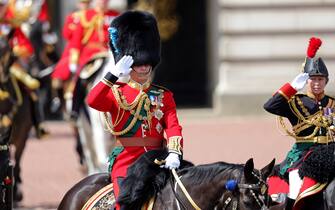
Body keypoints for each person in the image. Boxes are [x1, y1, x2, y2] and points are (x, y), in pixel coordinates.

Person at [86, 10, 183, 210]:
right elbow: (93, 100)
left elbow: (173, 127)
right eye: (139, 63)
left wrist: (174, 152)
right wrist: (112, 75)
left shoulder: (164, 96)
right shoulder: (116, 93)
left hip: (159, 158)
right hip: (127, 161)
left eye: (147, 63)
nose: (143, 67)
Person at [264, 37, 335, 210]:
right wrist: (293, 87)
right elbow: (270, 106)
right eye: (312, 79)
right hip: (304, 154)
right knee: (296, 187)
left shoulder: (332, 103)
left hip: (331, 150)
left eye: (320, 79)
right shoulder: (296, 102)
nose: (317, 83)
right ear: (306, 81)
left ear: (326, 81)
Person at [0, 0, 49, 138]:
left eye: (2, 6)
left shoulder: (12, 26)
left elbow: (27, 47)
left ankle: (38, 124)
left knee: (32, 87)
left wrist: (15, 51)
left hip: (11, 66)